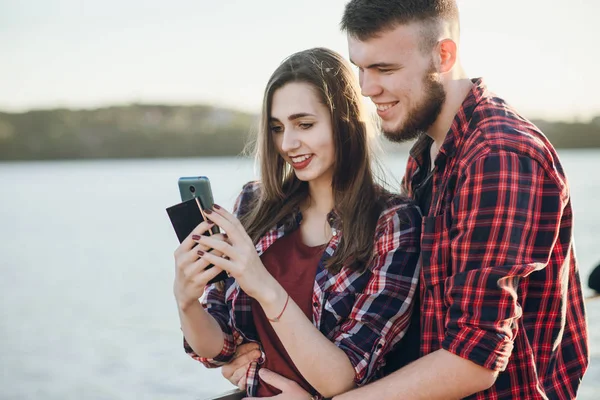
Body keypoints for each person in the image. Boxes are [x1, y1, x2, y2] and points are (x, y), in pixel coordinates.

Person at [221, 1, 590, 399]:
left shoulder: (498, 157)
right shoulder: (427, 156)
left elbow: (475, 359)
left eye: (385, 69)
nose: (366, 88)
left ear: (443, 55)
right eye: (360, 67)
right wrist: (260, 352)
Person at [173, 47, 422, 399]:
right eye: (277, 128)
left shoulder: (393, 224)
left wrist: (263, 285)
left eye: (304, 124)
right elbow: (221, 346)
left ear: (345, 121)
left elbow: (342, 379)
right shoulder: (254, 204)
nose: (288, 144)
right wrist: (186, 301)